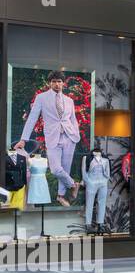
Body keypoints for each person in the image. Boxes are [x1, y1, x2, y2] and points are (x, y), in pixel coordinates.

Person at [13, 70, 84, 208]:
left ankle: (60, 196)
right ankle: (73, 185)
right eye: (54, 82)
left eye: (59, 82)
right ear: (49, 83)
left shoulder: (69, 101)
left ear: (63, 83)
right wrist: (23, 139)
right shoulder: (42, 98)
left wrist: (76, 133)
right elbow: (32, 118)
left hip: (69, 137)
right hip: (53, 137)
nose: (57, 84)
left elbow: (73, 119)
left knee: (66, 168)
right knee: (56, 169)